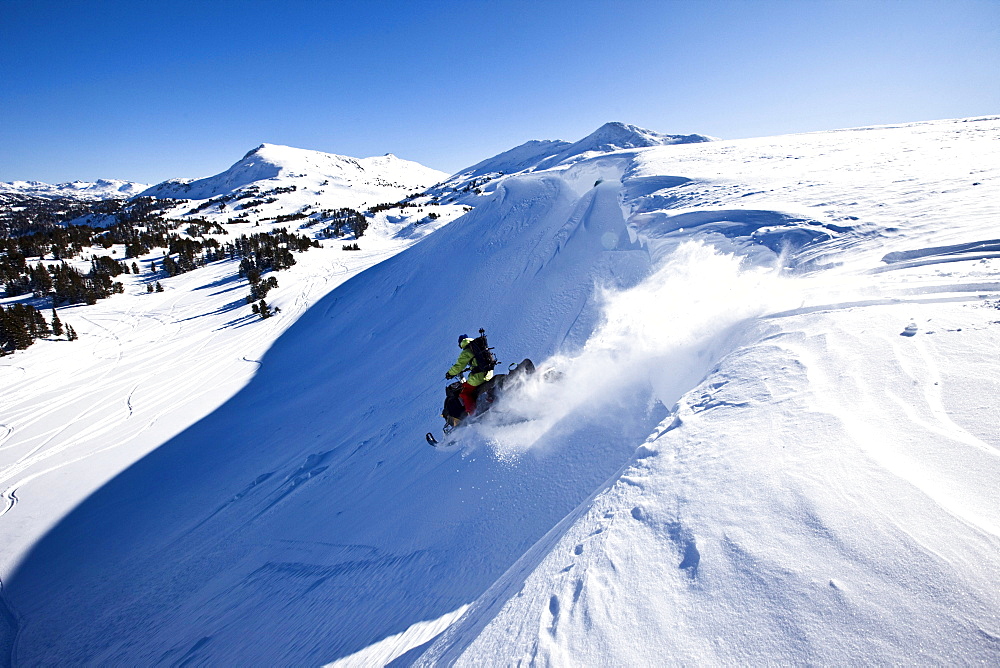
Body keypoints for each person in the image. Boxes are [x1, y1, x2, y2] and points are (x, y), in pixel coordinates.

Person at [445, 333, 494, 418]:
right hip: (488, 373)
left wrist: (450, 374)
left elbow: (459, 365)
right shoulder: (478, 346)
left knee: (464, 392)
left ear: (461, 343)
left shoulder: (467, 350)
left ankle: (473, 414)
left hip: (479, 376)